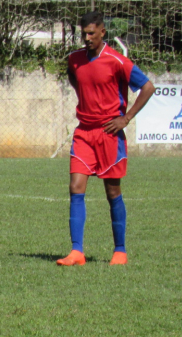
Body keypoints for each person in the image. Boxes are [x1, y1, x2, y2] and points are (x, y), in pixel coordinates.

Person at [57, 10, 156, 266]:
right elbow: (74, 76)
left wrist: (126, 118)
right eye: (84, 34)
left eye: (91, 33)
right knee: (75, 188)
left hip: (109, 134)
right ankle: (77, 251)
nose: (87, 38)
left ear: (103, 32)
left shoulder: (117, 60)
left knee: (112, 191)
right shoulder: (75, 59)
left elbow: (148, 87)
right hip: (84, 133)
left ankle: (120, 251)